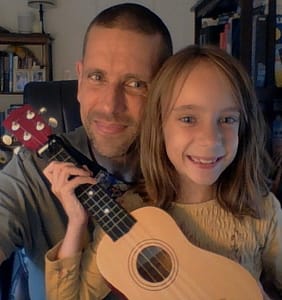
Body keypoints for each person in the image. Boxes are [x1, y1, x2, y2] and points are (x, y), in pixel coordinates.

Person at [45, 45, 282, 300]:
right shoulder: (130, 215)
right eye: (188, 119)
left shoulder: (262, 210)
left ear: (243, 127)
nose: (210, 141)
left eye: (227, 120)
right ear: (159, 124)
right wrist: (77, 223)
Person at [0, 3, 173, 299]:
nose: (109, 105)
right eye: (97, 77)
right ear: (79, 80)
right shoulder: (32, 170)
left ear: (164, 91)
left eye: (135, 84)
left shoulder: (191, 164)